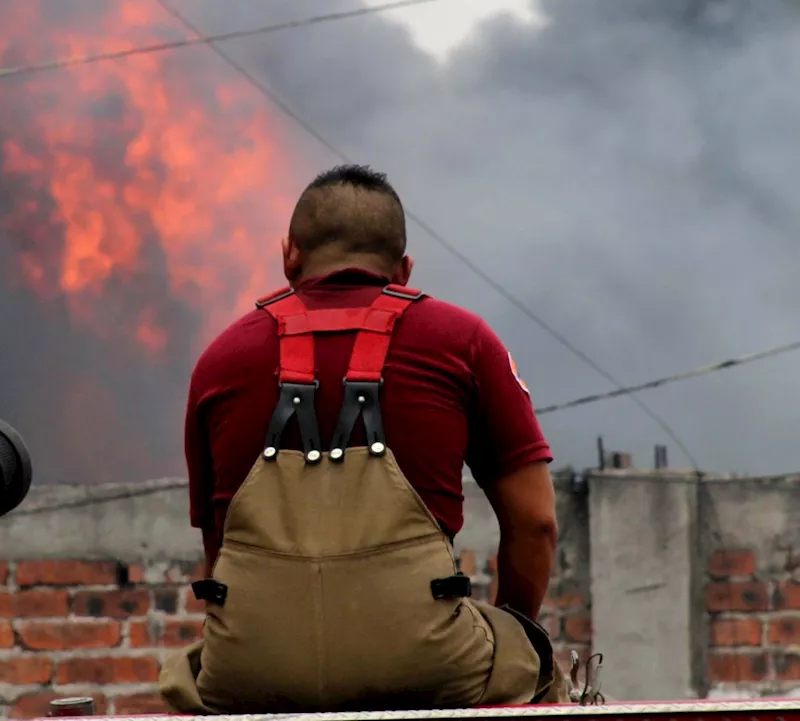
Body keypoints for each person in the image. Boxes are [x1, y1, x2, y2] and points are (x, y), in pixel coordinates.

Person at [158, 164, 567, 713]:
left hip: (251, 670)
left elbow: (220, 549)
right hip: (434, 664)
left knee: (190, 677)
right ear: (403, 269)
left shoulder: (220, 360)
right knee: (538, 673)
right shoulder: (464, 342)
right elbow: (536, 524)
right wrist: (512, 643)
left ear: (290, 255)